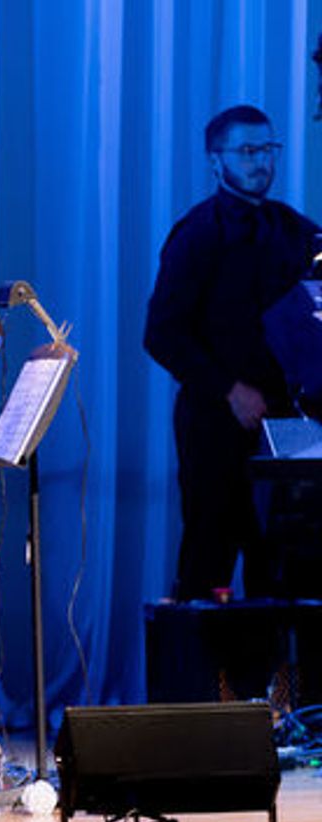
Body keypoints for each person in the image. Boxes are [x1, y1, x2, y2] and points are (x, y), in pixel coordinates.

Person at [144, 105, 321, 600]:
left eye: (268, 148)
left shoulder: (301, 233)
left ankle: (283, 682)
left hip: (290, 433)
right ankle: (209, 682)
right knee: (208, 564)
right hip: (215, 426)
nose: (262, 160)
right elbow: (161, 332)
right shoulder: (196, 234)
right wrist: (230, 389)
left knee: (288, 568)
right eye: (247, 150)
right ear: (215, 161)